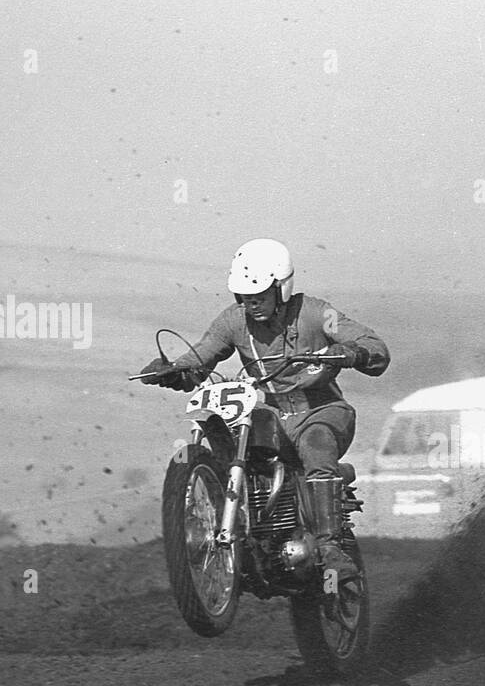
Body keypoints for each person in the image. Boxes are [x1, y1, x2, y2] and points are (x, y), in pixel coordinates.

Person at [137, 238, 390, 583]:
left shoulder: (316, 313)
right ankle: (239, 531)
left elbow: (375, 348)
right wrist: (173, 371)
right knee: (229, 442)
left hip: (321, 411)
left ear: (281, 288)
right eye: (244, 296)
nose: (251, 303)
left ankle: (331, 550)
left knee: (317, 441)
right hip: (268, 418)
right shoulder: (233, 321)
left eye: (259, 295)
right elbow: (203, 355)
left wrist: (353, 352)